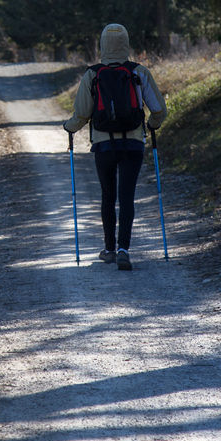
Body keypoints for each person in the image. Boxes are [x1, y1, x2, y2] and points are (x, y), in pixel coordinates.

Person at [62, 23, 166, 270]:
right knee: (127, 196)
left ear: (102, 45)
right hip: (133, 144)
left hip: (103, 145)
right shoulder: (139, 72)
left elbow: (82, 114)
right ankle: (123, 249)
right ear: (126, 44)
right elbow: (159, 110)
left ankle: (109, 248)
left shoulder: (93, 74)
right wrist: (152, 124)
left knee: (108, 196)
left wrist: (69, 127)